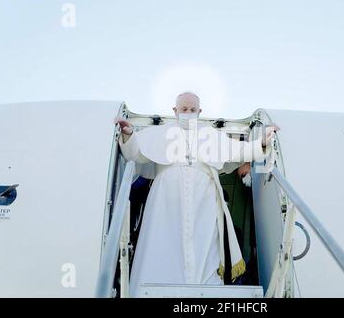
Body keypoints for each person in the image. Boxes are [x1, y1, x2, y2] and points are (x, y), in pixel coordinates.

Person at [114, 92, 279, 297]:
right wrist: (129, 135)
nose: (188, 113)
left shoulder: (209, 134)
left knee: (205, 245)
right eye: (184, 109)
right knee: (162, 244)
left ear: (199, 112)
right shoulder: (160, 133)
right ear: (175, 111)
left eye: (193, 110)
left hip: (204, 198)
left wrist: (261, 141)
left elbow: (238, 151)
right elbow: (135, 154)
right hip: (166, 199)